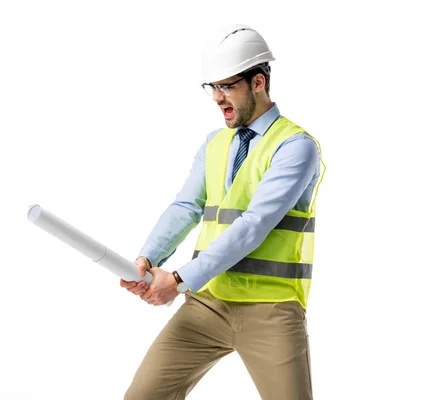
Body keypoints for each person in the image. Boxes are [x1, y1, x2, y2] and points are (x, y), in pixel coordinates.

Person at [120, 24, 326, 400]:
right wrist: (147, 258)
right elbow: (186, 206)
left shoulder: (295, 147)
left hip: (271, 310)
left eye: (227, 86)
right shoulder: (215, 143)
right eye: (212, 88)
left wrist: (179, 279)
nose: (217, 97)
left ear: (258, 82)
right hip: (207, 304)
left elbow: (254, 226)